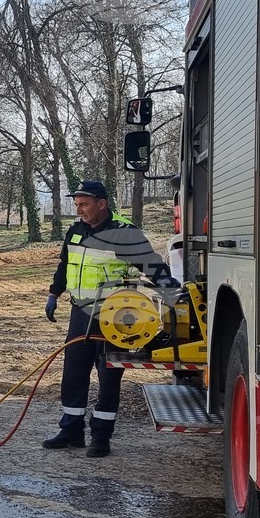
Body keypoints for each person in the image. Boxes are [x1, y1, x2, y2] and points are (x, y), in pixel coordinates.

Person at [43, 180, 177, 458]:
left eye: (84, 204)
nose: (79, 209)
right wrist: (54, 293)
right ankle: (71, 431)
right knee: (73, 374)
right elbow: (64, 265)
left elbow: (151, 265)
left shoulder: (123, 233)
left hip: (113, 319)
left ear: (102, 204)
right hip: (80, 314)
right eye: (77, 204)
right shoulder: (76, 230)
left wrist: (172, 291)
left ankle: (101, 437)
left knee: (108, 377)